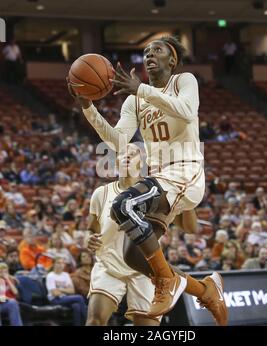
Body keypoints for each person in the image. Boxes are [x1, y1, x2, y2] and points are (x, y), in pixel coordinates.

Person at [68, 35, 227, 324]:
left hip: (185, 172)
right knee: (134, 256)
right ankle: (204, 288)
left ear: (172, 60)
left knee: (122, 205)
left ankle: (168, 283)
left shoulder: (184, 81)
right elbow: (118, 140)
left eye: (157, 50)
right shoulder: (135, 101)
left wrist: (141, 89)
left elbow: (187, 112)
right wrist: (88, 107)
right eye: (146, 52)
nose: (149, 55)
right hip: (159, 181)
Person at [46, 257, 87, 326]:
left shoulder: (66, 275)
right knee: (79, 298)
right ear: (53, 264)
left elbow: (72, 291)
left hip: (65, 298)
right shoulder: (50, 276)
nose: (61, 265)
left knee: (76, 306)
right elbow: (55, 293)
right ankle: (89, 322)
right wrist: (66, 289)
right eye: (58, 263)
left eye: (62, 263)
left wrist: (60, 289)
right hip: (55, 300)